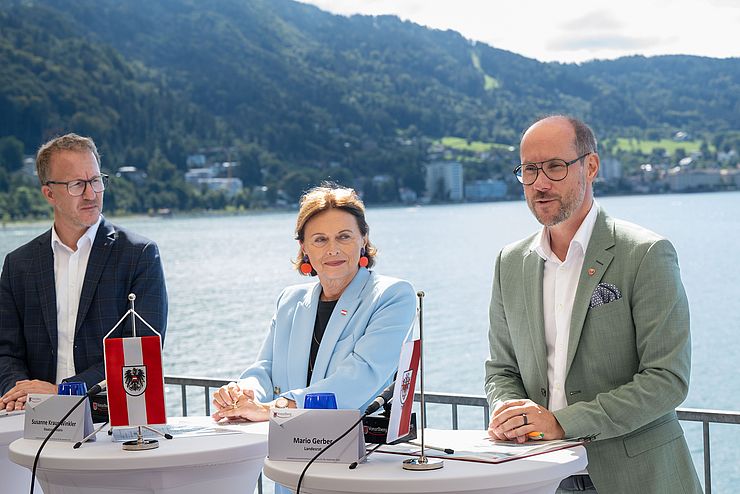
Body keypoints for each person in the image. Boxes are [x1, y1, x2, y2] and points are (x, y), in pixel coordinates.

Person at [484, 116, 701, 493]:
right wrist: (510, 412)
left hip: (639, 477)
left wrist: (562, 422)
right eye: (530, 170)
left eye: (554, 166)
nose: (540, 183)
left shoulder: (646, 253)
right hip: (541, 475)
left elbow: (668, 379)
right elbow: (501, 369)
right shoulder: (510, 262)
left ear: (591, 166)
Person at [212, 184, 416, 422]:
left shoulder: (393, 296)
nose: (333, 249)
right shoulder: (290, 300)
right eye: (320, 240)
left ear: (363, 239)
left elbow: (361, 377)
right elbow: (265, 368)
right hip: (287, 442)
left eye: (344, 237)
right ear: (304, 247)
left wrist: (275, 408)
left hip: (358, 443)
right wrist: (243, 393)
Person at [1, 133, 168, 411]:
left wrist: (62, 392)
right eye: (77, 184)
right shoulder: (19, 264)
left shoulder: (140, 255)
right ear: (49, 193)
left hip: (112, 420)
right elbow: (4, 351)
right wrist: (23, 394)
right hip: (33, 419)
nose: (91, 194)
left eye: (95, 181)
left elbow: (139, 352)